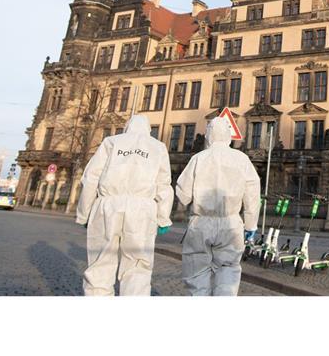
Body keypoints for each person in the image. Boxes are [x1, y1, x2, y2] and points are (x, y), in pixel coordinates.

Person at [75, 114, 174, 296]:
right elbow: (164, 185)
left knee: (101, 262)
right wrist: (163, 217)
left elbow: (91, 179)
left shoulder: (111, 142)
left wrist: (84, 213)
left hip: (108, 205)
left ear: (127, 126)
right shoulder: (157, 147)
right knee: (138, 265)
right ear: (148, 129)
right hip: (142, 209)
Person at [175, 116, 261, 296]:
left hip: (201, 223)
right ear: (229, 136)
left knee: (197, 272)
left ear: (208, 135)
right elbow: (253, 193)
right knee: (228, 270)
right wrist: (250, 225)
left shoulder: (199, 158)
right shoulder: (242, 159)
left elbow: (183, 193)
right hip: (230, 223)